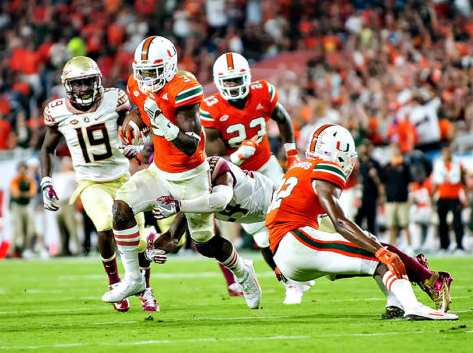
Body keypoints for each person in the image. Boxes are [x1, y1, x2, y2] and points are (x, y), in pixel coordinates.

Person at [103, 36, 261, 309]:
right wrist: (133, 123)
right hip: (159, 171)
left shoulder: (184, 90)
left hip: (191, 174)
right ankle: (133, 278)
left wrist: (161, 122)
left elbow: (190, 145)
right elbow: (140, 112)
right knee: (120, 208)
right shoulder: (136, 83)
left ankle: (243, 272)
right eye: (143, 72)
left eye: (153, 72)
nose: (147, 78)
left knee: (205, 243)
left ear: (169, 66)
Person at [266, 124, 458, 320]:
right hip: (298, 242)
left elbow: (323, 223)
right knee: (380, 256)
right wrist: (380, 251)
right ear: (336, 152)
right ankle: (413, 305)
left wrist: (375, 245)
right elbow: (339, 222)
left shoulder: (296, 170)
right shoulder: (325, 168)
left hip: (283, 257)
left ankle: (396, 303)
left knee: (369, 244)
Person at [39, 56, 156, 312]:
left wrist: (136, 143)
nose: (83, 89)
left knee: (139, 243)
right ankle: (115, 283)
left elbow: (140, 125)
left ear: (97, 81)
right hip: (90, 182)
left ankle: (145, 288)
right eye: (77, 84)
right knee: (105, 223)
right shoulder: (57, 111)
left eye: (88, 82)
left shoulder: (115, 99)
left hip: (123, 179)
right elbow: (47, 148)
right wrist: (46, 181)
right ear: (68, 86)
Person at [199, 51, 304, 304]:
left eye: (237, 80)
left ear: (247, 77)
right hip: (238, 177)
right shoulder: (211, 109)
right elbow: (216, 162)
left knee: (290, 215)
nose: (234, 86)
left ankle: (306, 264)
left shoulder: (263, 92)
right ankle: (286, 280)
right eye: (229, 81)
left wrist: (292, 155)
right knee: (262, 237)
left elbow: (282, 118)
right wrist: (239, 156)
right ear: (219, 82)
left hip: (266, 165)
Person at [152, 155, 315, 304]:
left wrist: (180, 205)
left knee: (299, 245)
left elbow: (220, 200)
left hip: (270, 201)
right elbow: (171, 239)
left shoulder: (216, 167)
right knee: (204, 244)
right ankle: (244, 274)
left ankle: (306, 271)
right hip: (245, 214)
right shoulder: (188, 190)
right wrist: (152, 251)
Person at [432, 146, 465, 252]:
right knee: (442, 222)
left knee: (457, 222)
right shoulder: (438, 165)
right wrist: (433, 196)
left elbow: (463, 179)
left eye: (448, 152)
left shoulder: (457, 164)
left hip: (455, 196)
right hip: (442, 196)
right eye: (445, 152)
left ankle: (459, 245)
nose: (447, 155)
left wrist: (465, 194)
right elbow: (435, 182)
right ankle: (444, 245)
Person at [381, 143, 412, 248]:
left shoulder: (405, 165)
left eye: (395, 149)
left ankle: (409, 247)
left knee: (405, 225)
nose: (393, 151)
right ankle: (394, 247)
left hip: (403, 200)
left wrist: (411, 196)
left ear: (399, 150)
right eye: (392, 149)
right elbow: (382, 183)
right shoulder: (387, 166)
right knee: (391, 226)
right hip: (390, 200)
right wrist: (382, 196)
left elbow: (410, 182)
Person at [51, 157, 80, 256]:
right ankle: (63, 249)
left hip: (68, 203)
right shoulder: (56, 175)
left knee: (71, 226)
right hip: (58, 202)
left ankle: (77, 249)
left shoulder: (72, 174)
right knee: (61, 227)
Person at [9, 162, 37, 259]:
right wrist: (26, 194)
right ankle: (12, 251)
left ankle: (24, 250)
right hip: (17, 206)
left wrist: (22, 194)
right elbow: (15, 194)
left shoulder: (28, 180)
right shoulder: (15, 180)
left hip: (26, 205)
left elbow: (33, 193)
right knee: (17, 229)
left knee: (28, 229)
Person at [354, 140, 382, 236]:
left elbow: (380, 183)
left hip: (371, 196)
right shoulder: (356, 163)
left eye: (367, 146)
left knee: (371, 223)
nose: (365, 148)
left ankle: (373, 245)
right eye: (363, 146)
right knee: (356, 221)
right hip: (358, 196)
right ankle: (356, 244)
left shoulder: (375, 163)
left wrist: (375, 176)